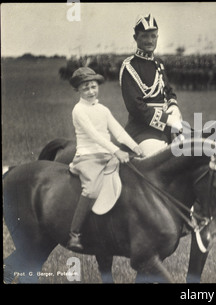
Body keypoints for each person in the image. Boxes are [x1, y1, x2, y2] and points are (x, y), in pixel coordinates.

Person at [67, 67, 144, 251]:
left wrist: (135, 147)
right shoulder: (78, 110)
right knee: (92, 189)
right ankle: (74, 233)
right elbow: (94, 136)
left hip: (107, 155)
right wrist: (116, 150)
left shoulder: (102, 109)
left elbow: (118, 131)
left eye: (93, 86)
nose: (91, 91)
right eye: (86, 88)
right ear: (78, 90)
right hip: (88, 156)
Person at [119, 13, 183, 156]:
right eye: (145, 36)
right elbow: (136, 107)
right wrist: (167, 119)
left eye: (153, 36)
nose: (150, 40)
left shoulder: (158, 63)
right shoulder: (129, 66)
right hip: (142, 130)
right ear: (135, 38)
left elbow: (169, 91)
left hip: (167, 128)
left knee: (193, 155)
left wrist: (174, 107)